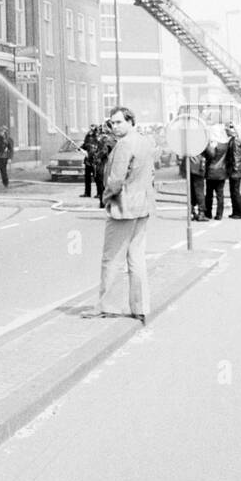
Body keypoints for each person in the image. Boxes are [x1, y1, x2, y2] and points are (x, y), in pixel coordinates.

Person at [82, 106, 155, 325]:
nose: (115, 127)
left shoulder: (124, 145)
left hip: (123, 208)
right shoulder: (145, 142)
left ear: (131, 122)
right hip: (143, 206)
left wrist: (105, 197)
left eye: (119, 122)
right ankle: (140, 306)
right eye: (112, 123)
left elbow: (115, 180)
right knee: (137, 258)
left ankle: (108, 306)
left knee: (111, 259)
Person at [203, 126, 229, 221]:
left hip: (211, 172)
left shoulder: (213, 144)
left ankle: (208, 213)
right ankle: (219, 214)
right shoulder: (225, 144)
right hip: (222, 172)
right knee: (220, 195)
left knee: (209, 194)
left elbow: (210, 155)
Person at [225, 123, 241, 218]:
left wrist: (233, 170)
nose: (225, 132)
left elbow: (235, 156)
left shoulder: (234, 141)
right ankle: (236, 212)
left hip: (235, 170)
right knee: (234, 191)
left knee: (235, 192)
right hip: (237, 169)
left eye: (226, 130)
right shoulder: (235, 140)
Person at [92, 123, 116, 208]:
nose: (102, 129)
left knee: (102, 184)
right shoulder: (115, 138)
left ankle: (103, 203)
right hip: (114, 164)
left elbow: (104, 151)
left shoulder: (105, 139)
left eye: (104, 127)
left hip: (104, 164)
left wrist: (96, 156)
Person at [81, 125, 100, 198]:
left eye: (92, 128)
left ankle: (99, 193)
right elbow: (85, 145)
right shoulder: (87, 137)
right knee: (87, 178)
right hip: (87, 161)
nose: (91, 130)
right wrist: (81, 148)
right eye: (90, 128)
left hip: (94, 160)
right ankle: (87, 193)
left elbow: (97, 147)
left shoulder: (98, 137)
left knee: (97, 178)